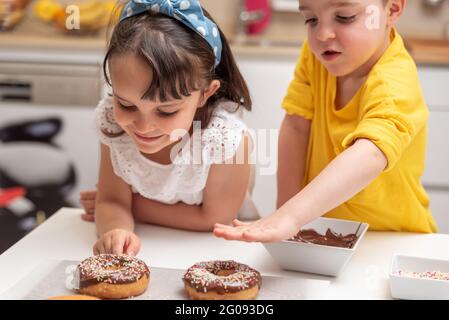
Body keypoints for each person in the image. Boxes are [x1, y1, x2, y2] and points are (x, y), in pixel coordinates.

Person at [214, 0, 437, 243]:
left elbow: (371, 152)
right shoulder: (317, 57)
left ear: (392, 10)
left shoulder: (395, 80)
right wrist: (285, 211)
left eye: (344, 17)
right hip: (323, 232)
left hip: (389, 239)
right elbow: (297, 127)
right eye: (311, 20)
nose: (322, 34)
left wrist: (291, 216)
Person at [80, 0, 256, 256]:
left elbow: (215, 220)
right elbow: (112, 202)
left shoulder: (226, 140)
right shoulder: (114, 124)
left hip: (215, 253)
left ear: (205, 93)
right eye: (126, 105)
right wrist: (116, 231)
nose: (143, 125)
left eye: (166, 111)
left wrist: (133, 206)